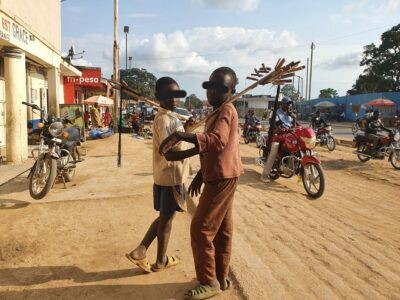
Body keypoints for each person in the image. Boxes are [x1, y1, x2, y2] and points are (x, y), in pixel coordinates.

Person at [159, 67, 243, 299]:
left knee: (201, 228)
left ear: (231, 90)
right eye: (210, 87)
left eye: (220, 88)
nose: (213, 92)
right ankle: (220, 275)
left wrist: (180, 135)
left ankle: (209, 282)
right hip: (221, 173)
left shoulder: (226, 110)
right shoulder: (217, 111)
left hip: (222, 177)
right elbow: (213, 149)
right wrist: (201, 174)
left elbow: (217, 141)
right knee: (223, 229)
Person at [125, 77, 191, 274]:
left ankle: (145, 252)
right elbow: (169, 152)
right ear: (159, 97)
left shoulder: (171, 117)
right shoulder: (163, 120)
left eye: (176, 95)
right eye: (168, 95)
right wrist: (199, 147)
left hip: (167, 175)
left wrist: (186, 131)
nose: (173, 99)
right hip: (172, 176)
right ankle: (154, 258)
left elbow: (177, 140)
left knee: (164, 217)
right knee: (166, 220)